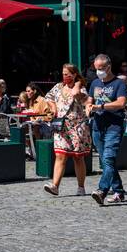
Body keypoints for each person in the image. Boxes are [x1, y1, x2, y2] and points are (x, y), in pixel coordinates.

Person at [43, 63, 91, 197]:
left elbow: (85, 102)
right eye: (63, 74)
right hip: (61, 126)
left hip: (76, 126)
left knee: (78, 158)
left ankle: (81, 187)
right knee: (60, 155)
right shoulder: (58, 87)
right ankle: (55, 186)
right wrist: (53, 108)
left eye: (67, 74)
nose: (65, 77)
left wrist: (77, 89)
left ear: (74, 74)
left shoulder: (80, 87)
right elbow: (48, 97)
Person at [88, 53, 127, 206]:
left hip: (114, 126)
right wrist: (88, 106)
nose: (98, 71)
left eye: (101, 68)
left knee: (109, 158)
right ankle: (118, 191)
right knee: (106, 161)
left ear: (109, 67)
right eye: (96, 68)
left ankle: (102, 190)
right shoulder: (95, 83)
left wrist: (102, 106)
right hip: (98, 126)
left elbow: (121, 103)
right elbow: (90, 100)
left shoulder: (119, 84)